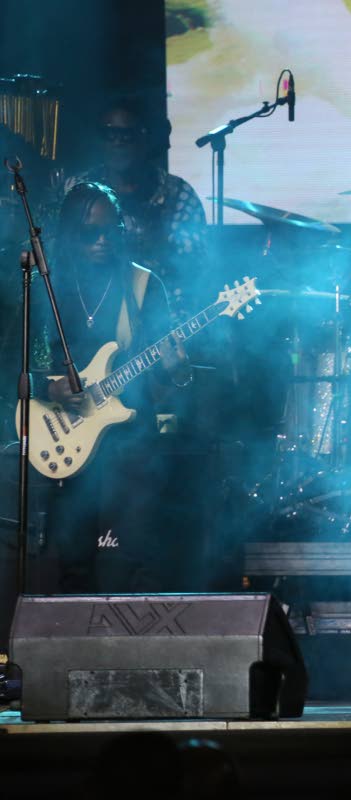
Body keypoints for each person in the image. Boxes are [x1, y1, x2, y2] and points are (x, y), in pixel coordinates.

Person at [33, 182, 191, 593]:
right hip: (65, 440)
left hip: (129, 443)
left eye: (111, 231)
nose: (102, 242)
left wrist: (175, 369)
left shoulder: (141, 285)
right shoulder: (46, 287)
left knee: (139, 560)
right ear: (70, 234)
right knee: (73, 563)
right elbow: (10, 364)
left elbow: (163, 381)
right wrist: (47, 389)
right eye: (90, 234)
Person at [63, 97, 208, 314]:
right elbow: (62, 255)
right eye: (109, 134)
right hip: (93, 315)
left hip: (163, 318)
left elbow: (192, 271)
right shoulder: (80, 189)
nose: (117, 142)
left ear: (145, 138)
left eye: (127, 135)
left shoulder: (177, 194)